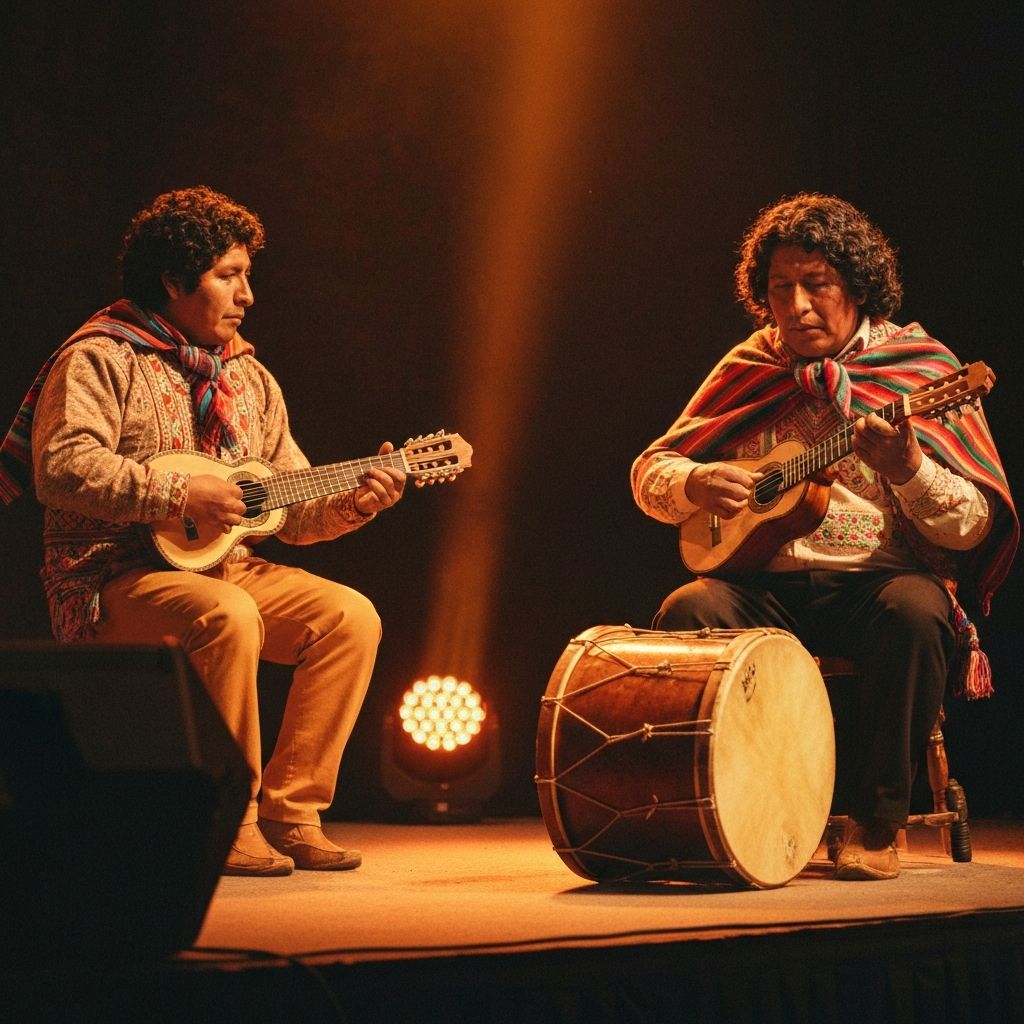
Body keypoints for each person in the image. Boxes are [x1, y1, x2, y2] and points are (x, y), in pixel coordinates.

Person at [0, 186, 407, 876]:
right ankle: (228, 819)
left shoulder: (250, 380)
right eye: (229, 274)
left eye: (247, 275)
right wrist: (177, 490)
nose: (248, 294)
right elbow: (62, 468)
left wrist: (355, 502)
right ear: (174, 279)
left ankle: (292, 811)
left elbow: (291, 509)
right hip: (111, 573)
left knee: (349, 617)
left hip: (224, 569)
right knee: (230, 614)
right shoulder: (101, 357)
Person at [631, 194, 1017, 881]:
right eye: (782, 288)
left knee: (920, 613)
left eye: (818, 285)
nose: (799, 305)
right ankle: (713, 817)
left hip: (876, 586)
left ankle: (876, 825)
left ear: (858, 288)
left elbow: (974, 523)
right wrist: (693, 484)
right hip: (761, 589)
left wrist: (909, 469)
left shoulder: (920, 370)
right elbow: (652, 469)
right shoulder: (751, 365)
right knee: (689, 611)